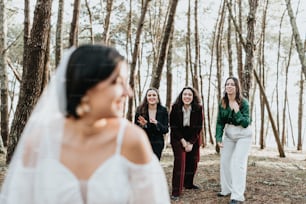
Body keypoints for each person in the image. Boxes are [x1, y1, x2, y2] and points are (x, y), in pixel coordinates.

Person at [0, 44, 170, 204]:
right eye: (117, 82)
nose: (128, 92)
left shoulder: (131, 140)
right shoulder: (40, 141)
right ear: (87, 84)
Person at [215, 76, 252, 204]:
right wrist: (218, 138)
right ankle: (226, 189)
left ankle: (237, 195)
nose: (229, 86)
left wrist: (236, 110)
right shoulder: (222, 102)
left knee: (238, 163)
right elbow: (220, 122)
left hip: (243, 135)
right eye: (227, 84)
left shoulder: (244, 102)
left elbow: (246, 123)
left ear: (237, 87)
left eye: (232, 84)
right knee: (225, 161)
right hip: (229, 135)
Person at [169, 86, 203, 200]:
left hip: (193, 135)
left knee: (194, 160)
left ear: (193, 97)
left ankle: (188, 183)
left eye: (189, 95)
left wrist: (192, 143)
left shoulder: (198, 108)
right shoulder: (175, 107)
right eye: (185, 94)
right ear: (181, 96)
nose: (187, 96)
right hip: (178, 136)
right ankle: (176, 191)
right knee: (180, 160)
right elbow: (173, 127)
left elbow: (198, 127)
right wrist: (183, 141)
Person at [134, 88, 169, 160]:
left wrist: (157, 123)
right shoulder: (139, 110)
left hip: (157, 143)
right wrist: (143, 125)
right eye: (149, 95)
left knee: (154, 166)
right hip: (143, 142)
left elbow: (166, 129)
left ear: (158, 97)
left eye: (154, 95)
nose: (151, 97)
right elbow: (136, 129)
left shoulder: (163, 110)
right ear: (146, 98)